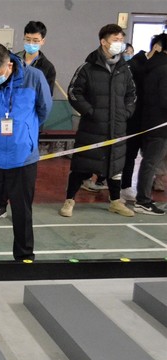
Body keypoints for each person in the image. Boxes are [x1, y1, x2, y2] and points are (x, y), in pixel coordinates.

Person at [0, 44, 52, 262]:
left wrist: (25, 132)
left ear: (9, 66)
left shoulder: (34, 78)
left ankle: (24, 256)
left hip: (22, 157)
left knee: (22, 211)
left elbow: (44, 109)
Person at [61, 24, 136, 218]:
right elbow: (74, 92)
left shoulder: (124, 70)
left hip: (117, 127)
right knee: (81, 165)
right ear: (103, 42)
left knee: (115, 166)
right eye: (115, 40)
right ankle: (69, 200)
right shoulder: (87, 68)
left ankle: (115, 201)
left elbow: (132, 94)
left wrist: (126, 112)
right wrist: (90, 111)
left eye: (121, 40)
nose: (119, 44)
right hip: (92, 128)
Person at [0, 20, 58, 220]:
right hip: (6, 123)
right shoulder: (11, 60)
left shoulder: (47, 68)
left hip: (28, 128)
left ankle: (21, 209)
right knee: (3, 166)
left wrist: (31, 124)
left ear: (43, 41)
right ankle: (0, 205)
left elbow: (44, 102)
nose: (31, 43)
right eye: (28, 39)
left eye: (35, 40)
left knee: (23, 171)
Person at [121, 34, 165, 202]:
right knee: (128, 154)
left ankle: (132, 189)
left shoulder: (157, 67)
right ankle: (123, 188)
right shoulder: (134, 64)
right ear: (157, 47)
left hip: (149, 121)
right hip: (133, 118)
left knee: (148, 158)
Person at [134, 34, 167, 215]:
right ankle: (143, 201)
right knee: (151, 163)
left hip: (148, 122)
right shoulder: (163, 68)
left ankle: (144, 198)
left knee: (149, 162)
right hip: (160, 125)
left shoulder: (151, 65)